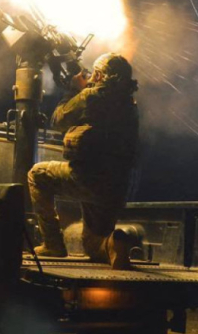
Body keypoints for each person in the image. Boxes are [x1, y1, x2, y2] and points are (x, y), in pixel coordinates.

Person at [28, 53, 140, 270]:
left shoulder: (90, 96)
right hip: (116, 187)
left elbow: (58, 120)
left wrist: (73, 89)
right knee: (92, 245)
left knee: (37, 175)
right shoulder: (130, 105)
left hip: (87, 179)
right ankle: (112, 244)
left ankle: (52, 244)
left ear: (98, 75)